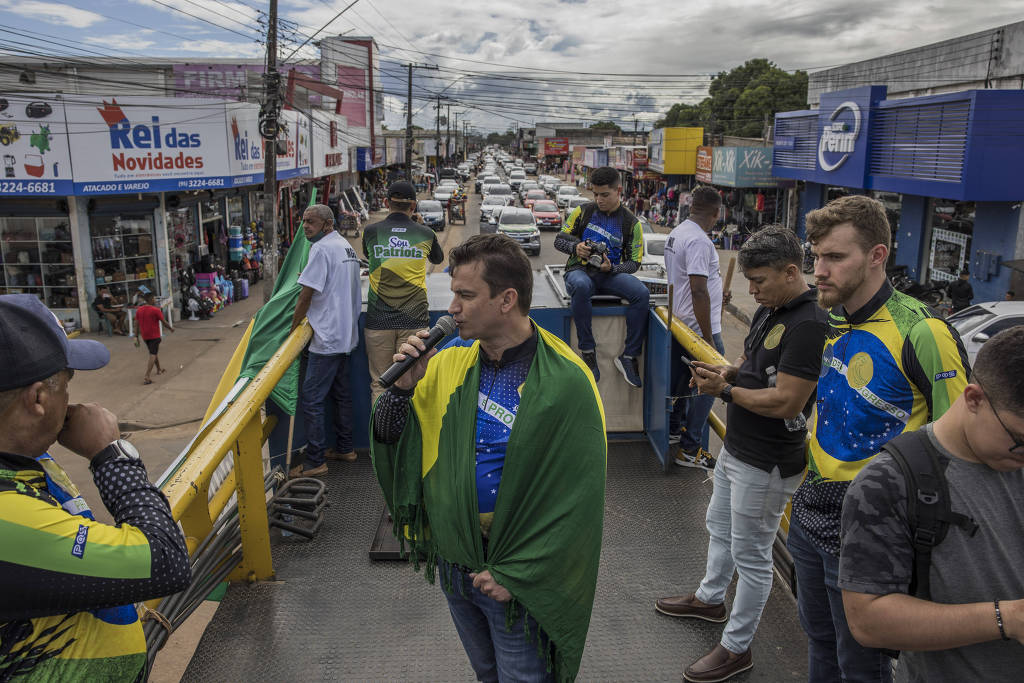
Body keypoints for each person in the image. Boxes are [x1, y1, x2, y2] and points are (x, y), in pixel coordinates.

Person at [371, 234, 606, 682]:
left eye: (466, 295)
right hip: (456, 561)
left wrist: (518, 573)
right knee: (487, 674)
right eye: (453, 293)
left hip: (515, 576)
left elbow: (578, 501)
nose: (451, 308)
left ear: (507, 300)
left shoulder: (566, 381)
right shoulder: (447, 362)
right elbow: (390, 437)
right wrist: (401, 390)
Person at [789, 195, 970, 683]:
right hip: (810, 511)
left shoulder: (924, 331)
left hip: (873, 525)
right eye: (815, 255)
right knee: (820, 642)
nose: (818, 270)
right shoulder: (834, 316)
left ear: (876, 256)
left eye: (834, 257)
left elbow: (960, 441)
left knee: (862, 664)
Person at [655, 227, 829, 682]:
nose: (750, 290)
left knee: (753, 557)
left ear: (792, 272)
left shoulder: (809, 324)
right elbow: (757, 370)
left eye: (760, 280)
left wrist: (726, 390)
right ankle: (711, 600)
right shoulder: (771, 311)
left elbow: (788, 401)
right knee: (719, 526)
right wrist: (728, 371)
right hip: (738, 447)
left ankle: (737, 647)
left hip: (769, 459)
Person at [0, 294, 191, 679]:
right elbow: (165, 560)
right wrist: (111, 455)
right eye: (66, 384)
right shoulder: (7, 517)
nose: (73, 400)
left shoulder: (27, 461)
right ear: (38, 398)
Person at [837, 325, 1024, 681]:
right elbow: (868, 620)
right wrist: (1006, 619)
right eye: (1019, 439)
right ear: (973, 399)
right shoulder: (888, 483)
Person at [554, 166, 649, 387]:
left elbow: (634, 263)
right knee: (582, 285)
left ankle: (628, 356)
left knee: (641, 294)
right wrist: (576, 247)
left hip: (608, 274)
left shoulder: (631, 223)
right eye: (595, 194)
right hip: (578, 271)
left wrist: (612, 269)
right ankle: (588, 351)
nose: (599, 200)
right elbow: (559, 240)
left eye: (604, 195)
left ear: (619, 191)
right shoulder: (583, 211)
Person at [289, 203, 362, 477]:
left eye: (311, 222)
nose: (306, 226)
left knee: (311, 399)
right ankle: (346, 448)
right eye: (304, 221)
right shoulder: (345, 247)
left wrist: (292, 327)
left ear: (327, 225)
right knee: (341, 394)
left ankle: (315, 460)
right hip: (345, 335)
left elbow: (305, 295)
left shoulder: (320, 249)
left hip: (327, 337)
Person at [362, 181, 444, 405]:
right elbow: (438, 259)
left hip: (378, 320)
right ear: (414, 206)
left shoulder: (371, 232)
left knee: (380, 383)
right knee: (413, 382)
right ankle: (410, 439)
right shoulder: (425, 233)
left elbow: (369, 256)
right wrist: (421, 224)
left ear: (387, 203)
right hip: (414, 320)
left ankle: (380, 438)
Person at [664, 186, 728, 470]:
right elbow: (698, 290)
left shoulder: (677, 233)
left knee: (683, 386)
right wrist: (708, 341)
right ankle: (690, 450)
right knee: (711, 387)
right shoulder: (700, 241)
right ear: (716, 213)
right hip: (701, 330)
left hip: (681, 323)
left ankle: (675, 432)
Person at [136, 292, 174, 385]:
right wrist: (170, 328)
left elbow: (136, 324)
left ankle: (159, 369)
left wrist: (135, 336)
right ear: (150, 299)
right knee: (153, 354)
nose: (155, 300)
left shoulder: (139, 310)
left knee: (153, 352)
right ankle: (147, 376)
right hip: (154, 336)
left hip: (145, 336)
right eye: (154, 299)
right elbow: (163, 322)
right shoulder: (155, 310)